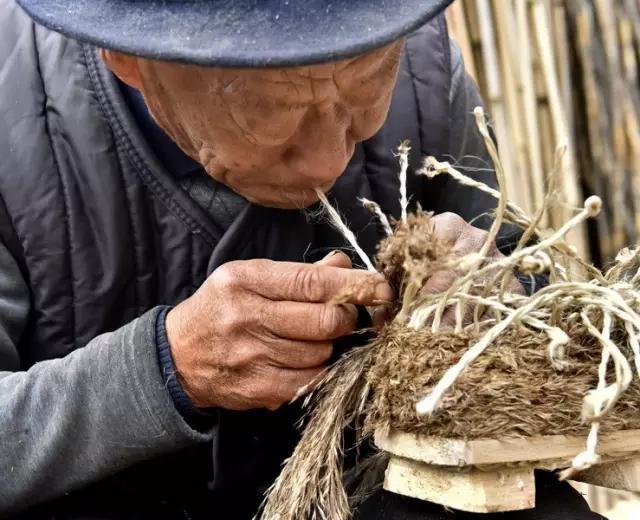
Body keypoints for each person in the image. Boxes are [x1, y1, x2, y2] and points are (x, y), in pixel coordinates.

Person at [0, 0, 604, 518]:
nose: (326, 162)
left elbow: (530, 282)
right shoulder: (16, 110)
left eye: (363, 85)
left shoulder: (418, 62)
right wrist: (166, 366)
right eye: (271, 112)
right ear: (128, 59)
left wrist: (492, 293)